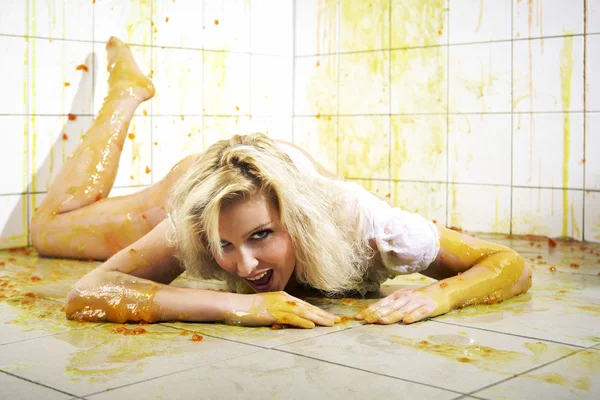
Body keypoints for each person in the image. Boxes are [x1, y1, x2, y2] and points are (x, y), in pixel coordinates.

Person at [30, 37, 532, 329]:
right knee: (49, 231)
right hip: (205, 180)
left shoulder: (367, 223)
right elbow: (87, 294)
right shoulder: (195, 218)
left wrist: (443, 295)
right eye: (225, 246)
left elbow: (509, 264)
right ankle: (125, 94)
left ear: (298, 222)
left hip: (276, 176)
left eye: (261, 236)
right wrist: (238, 306)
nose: (243, 264)